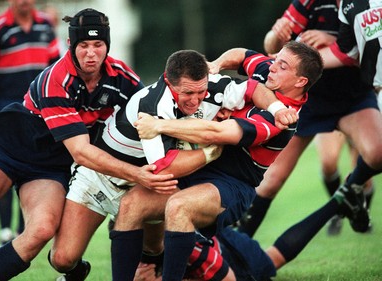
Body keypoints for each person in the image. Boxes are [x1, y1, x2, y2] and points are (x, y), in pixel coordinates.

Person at [48, 49, 296, 280]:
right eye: (187, 93)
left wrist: (275, 109)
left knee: (165, 223)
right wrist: (211, 151)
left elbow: (246, 98)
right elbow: (165, 168)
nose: (195, 101)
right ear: (169, 82)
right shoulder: (154, 106)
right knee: (64, 258)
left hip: (184, 181)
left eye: (201, 92)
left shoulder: (225, 91)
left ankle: (167, 263)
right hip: (104, 175)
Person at [0, 8, 177, 281]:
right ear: (71, 45)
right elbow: (81, 152)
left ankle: (75, 271)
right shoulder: (56, 80)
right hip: (12, 149)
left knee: (40, 231)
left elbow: (149, 115)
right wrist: (136, 175)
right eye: (83, 45)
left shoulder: (123, 79)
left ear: (107, 45)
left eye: (98, 45)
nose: (91, 53)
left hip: (50, 167)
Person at [113, 41, 323, 281]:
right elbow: (242, 55)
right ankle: (145, 264)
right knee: (131, 205)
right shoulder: (270, 72)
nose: (272, 66)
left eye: (282, 65)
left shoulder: (284, 118)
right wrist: (216, 65)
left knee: (179, 207)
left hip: (231, 185)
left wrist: (158, 124)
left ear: (300, 82)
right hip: (197, 169)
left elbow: (219, 134)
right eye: (276, 60)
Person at [235, 0, 382, 238]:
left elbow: (364, 49)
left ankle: (349, 192)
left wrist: (333, 41)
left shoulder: (369, 5)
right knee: (272, 179)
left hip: (353, 96)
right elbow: (272, 47)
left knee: (377, 153)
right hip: (309, 99)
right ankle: (236, 248)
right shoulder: (308, 3)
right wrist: (277, 32)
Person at [133, 190, 352, 281]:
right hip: (217, 238)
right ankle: (340, 199)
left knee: (272, 260)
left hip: (226, 255)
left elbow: (229, 278)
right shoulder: (135, 248)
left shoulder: (188, 247)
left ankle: (339, 200)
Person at [0, 0, 61, 245]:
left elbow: (55, 66)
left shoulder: (46, 24)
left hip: (35, 110)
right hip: (5, 108)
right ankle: (5, 228)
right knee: (3, 162)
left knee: (29, 163)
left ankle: (20, 230)